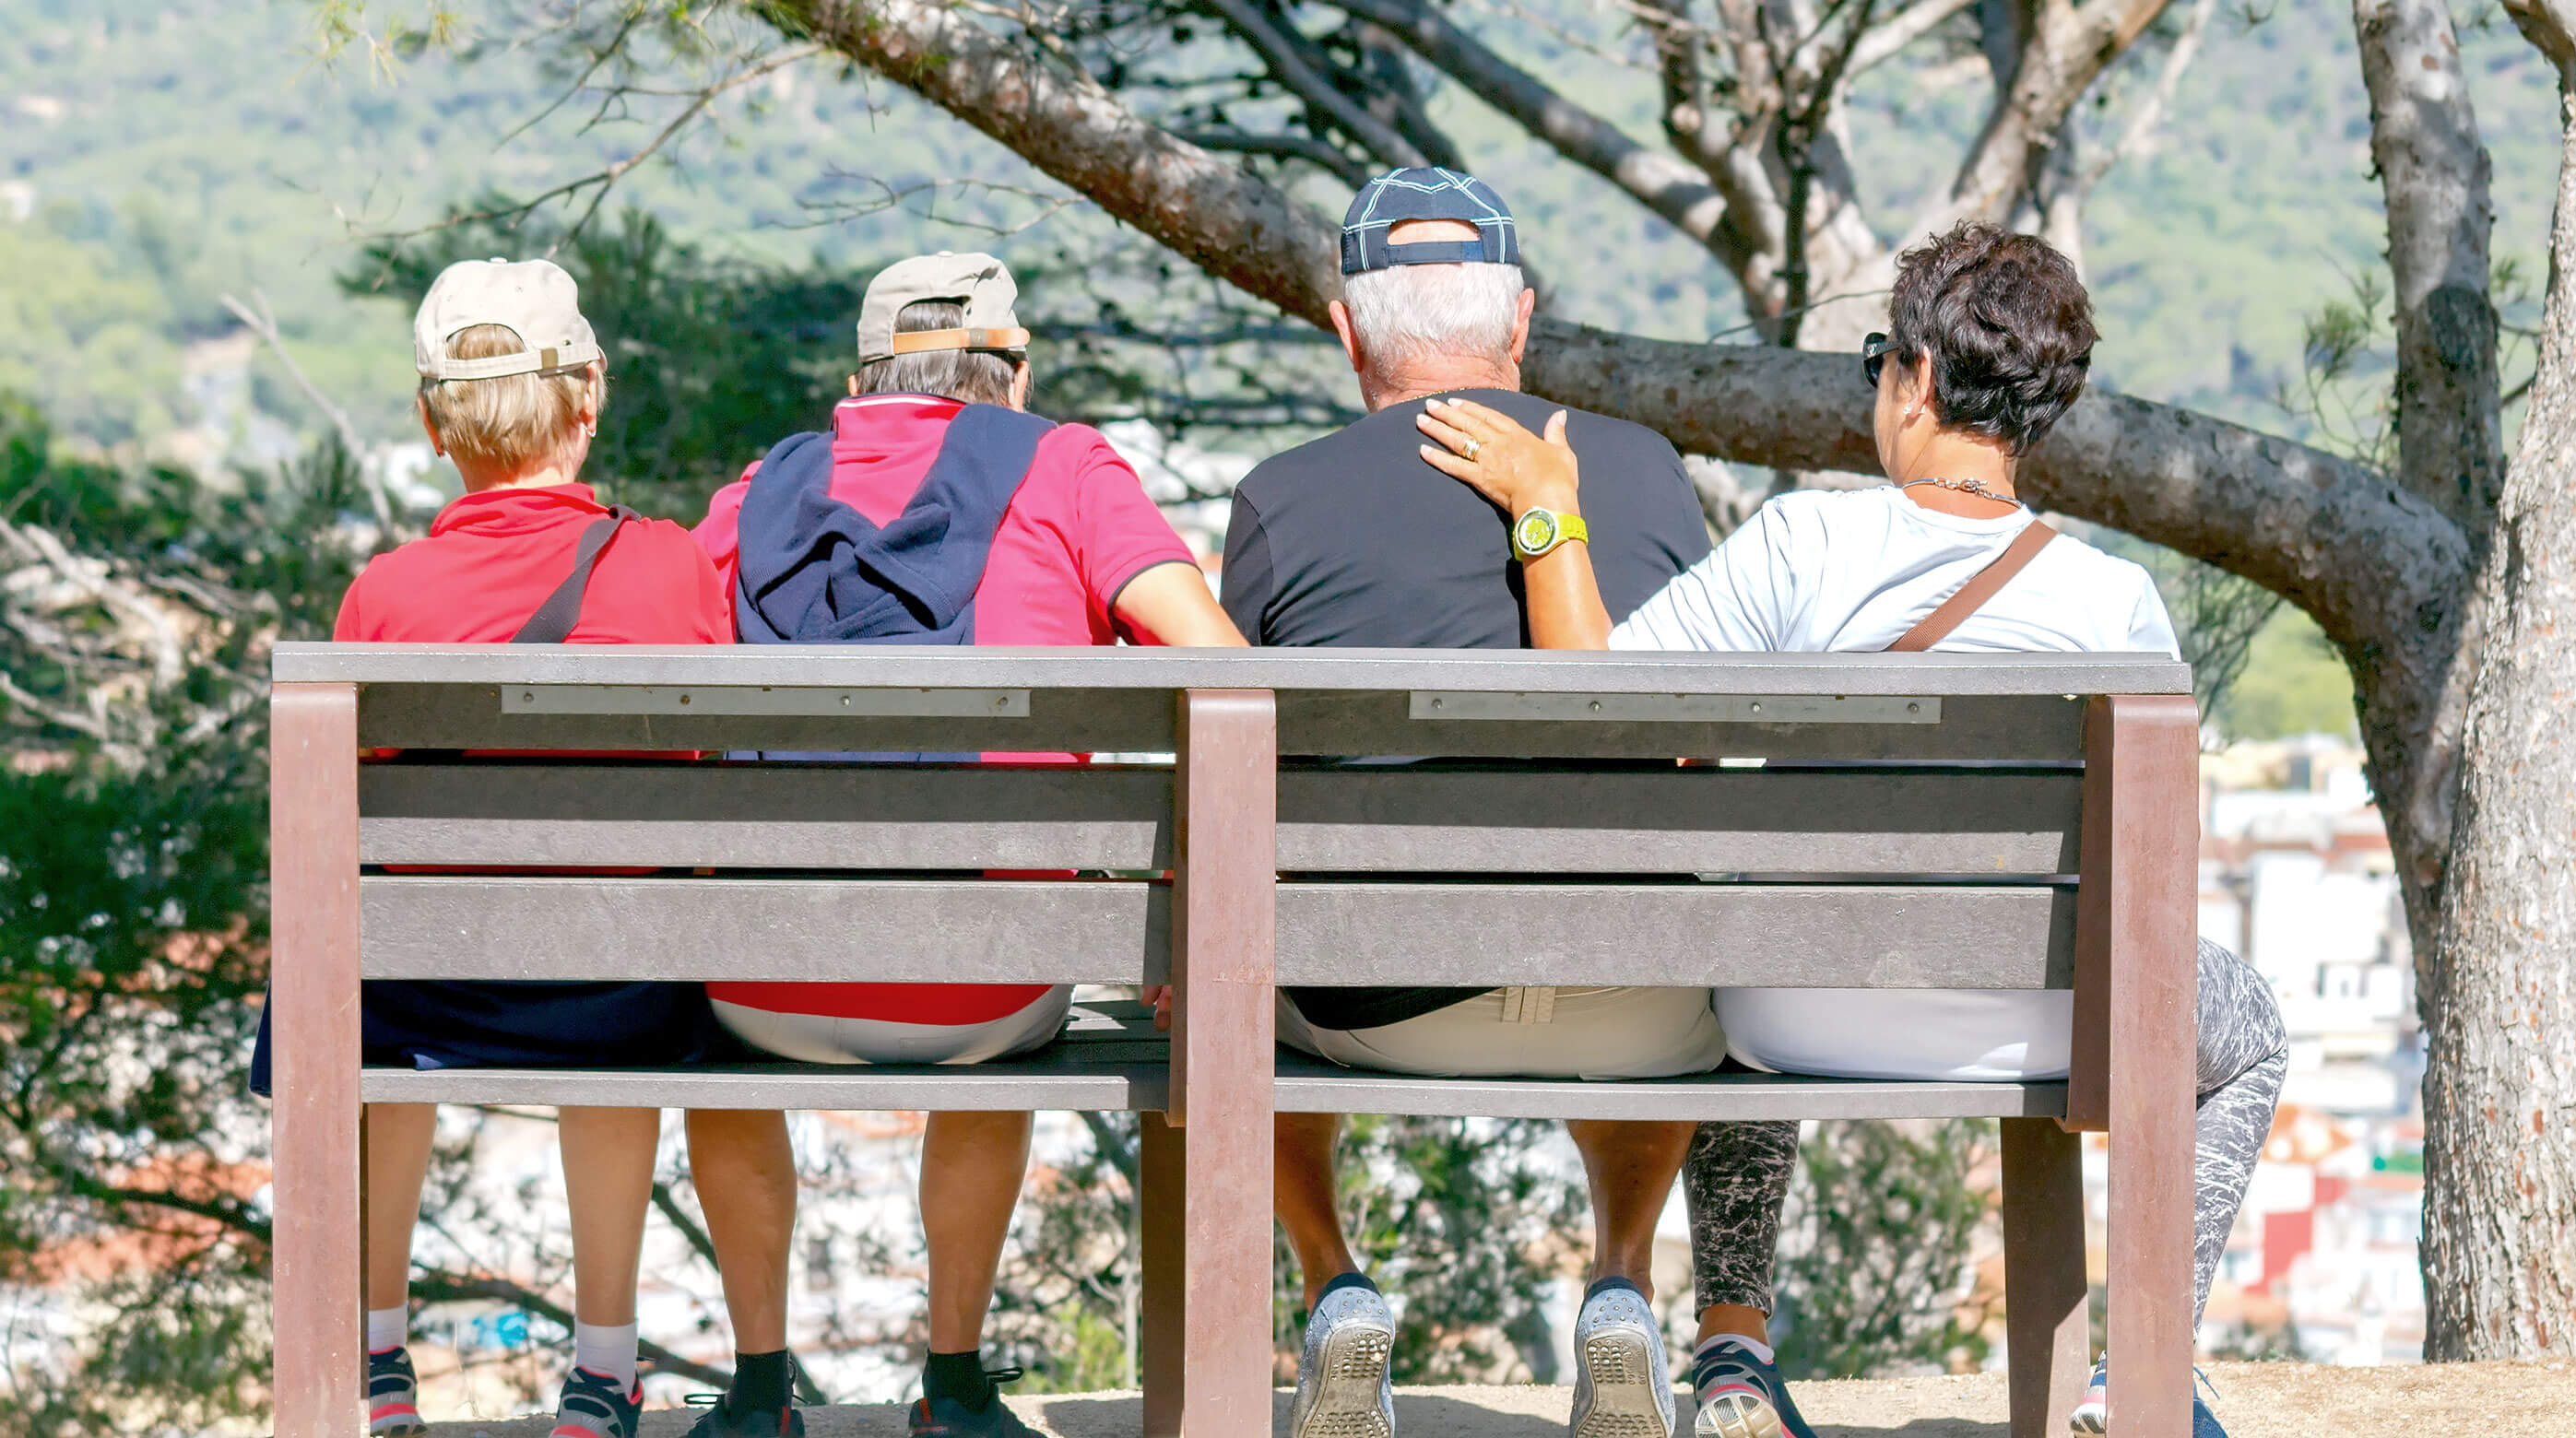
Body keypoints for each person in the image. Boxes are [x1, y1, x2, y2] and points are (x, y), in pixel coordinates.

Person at [1415, 222, 2286, 1438]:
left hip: (1794, 1015)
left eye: (1882, 359)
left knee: (1733, 938)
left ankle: (1733, 1352)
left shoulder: (1801, 544)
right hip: (2040, 1018)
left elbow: (1599, 717)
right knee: (2250, 1033)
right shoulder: (2115, 603)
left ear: (1919, 377)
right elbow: (2155, 881)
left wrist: (1547, 509)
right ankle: (2139, 1370)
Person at [690, 250, 1244, 1438]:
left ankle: (754, 1385)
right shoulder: (1067, 465)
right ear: (1015, 372)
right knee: (1002, 931)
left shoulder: (759, 488)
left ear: (862, 378)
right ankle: (952, 1382)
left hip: (758, 986)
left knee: (711, 979)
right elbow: (1220, 666)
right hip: (982, 990)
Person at [250, 257, 801, 1438]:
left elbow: (349, 816)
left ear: (432, 424)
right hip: (615, 996)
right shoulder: (665, 566)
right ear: (587, 401)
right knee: (618, 953)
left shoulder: (383, 597)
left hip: (431, 994)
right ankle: (602, 1371)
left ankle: (376, 1355)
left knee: (361, 974)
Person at [1222, 167, 1718, 1438]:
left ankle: (1333, 1280)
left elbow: (1234, 775)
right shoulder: (1648, 471)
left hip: (1379, 1009)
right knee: (1659, 942)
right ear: (1522, 321)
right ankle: (1618, 1285)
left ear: (1347, 331)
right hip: (1637, 1011)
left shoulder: (1282, 496)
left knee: (1243, 963)